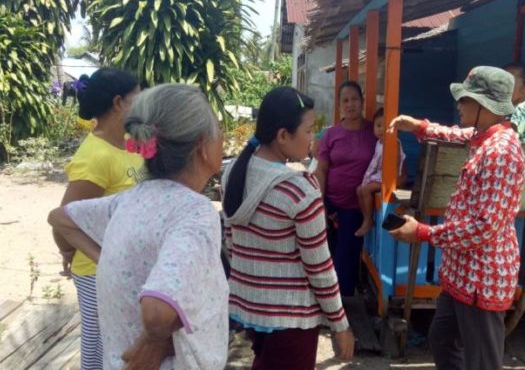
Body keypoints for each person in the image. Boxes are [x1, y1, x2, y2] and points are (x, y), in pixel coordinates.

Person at [48, 84, 228, 369]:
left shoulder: (130, 199)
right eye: (220, 131)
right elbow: (157, 313)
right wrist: (154, 340)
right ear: (203, 146)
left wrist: (105, 259)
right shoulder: (194, 212)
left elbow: (60, 218)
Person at [387, 66, 525, 370]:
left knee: (482, 361)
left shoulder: (500, 153)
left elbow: (483, 228)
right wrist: (419, 127)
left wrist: (422, 232)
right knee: (442, 339)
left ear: (483, 105)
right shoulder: (484, 136)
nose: (459, 105)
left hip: (482, 280)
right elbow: (457, 133)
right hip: (462, 275)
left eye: (464, 99)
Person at [223, 87, 355, 369]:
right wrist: (339, 323)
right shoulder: (299, 189)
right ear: (283, 135)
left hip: (251, 309)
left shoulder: (234, 171)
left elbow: (232, 241)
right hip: (291, 319)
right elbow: (319, 267)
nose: (313, 140)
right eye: (308, 131)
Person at [52, 68, 142, 370]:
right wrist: (67, 251)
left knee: (123, 344)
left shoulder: (130, 143)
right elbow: (65, 216)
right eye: (137, 97)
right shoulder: (95, 156)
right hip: (94, 269)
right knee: (100, 345)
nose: (141, 104)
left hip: (124, 266)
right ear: (119, 103)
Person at [314, 81, 376, 296]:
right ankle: (321, 299)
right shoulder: (332, 134)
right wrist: (320, 203)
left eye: (354, 99)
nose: (350, 105)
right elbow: (321, 169)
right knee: (321, 254)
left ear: (362, 101)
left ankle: (340, 306)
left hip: (355, 206)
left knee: (345, 257)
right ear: (340, 105)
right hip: (330, 201)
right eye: (345, 101)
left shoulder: (373, 132)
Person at [355, 107, 407, 237]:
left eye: (385, 126)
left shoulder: (394, 143)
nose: (380, 129)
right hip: (381, 177)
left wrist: (391, 183)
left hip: (392, 178)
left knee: (365, 190)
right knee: (359, 189)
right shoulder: (379, 143)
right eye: (378, 125)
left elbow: (396, 166)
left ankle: (367, 221)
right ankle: (367, 217)